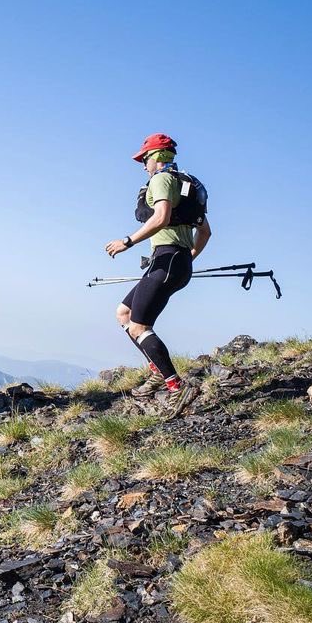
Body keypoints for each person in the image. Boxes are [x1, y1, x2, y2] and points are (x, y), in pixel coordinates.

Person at [104, 133, 212, 417]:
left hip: (166, 259)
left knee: (139, 326)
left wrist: (127, 241)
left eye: (144, 158)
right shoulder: (185, 184)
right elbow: (205, 232)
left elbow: (161, 216)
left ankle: (177, 387)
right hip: (174, 261)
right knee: (124, 313)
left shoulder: (162, 179)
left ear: (158, 157)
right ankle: (157, 372)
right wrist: (188, 258)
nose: (143, 165)